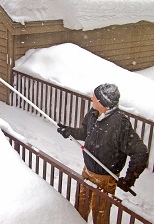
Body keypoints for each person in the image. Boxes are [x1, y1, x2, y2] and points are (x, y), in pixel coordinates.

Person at [56, 83, 149, 224]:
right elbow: (86, 132)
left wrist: (129, 178)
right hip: (87, 173)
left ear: (104, 102)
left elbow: (140, 152)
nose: (92, 98)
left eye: (95, 97)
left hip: (106, 180)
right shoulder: (93, 114)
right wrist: (70, 131)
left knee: (100, 217)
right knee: (80, 210)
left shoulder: (119, 124)